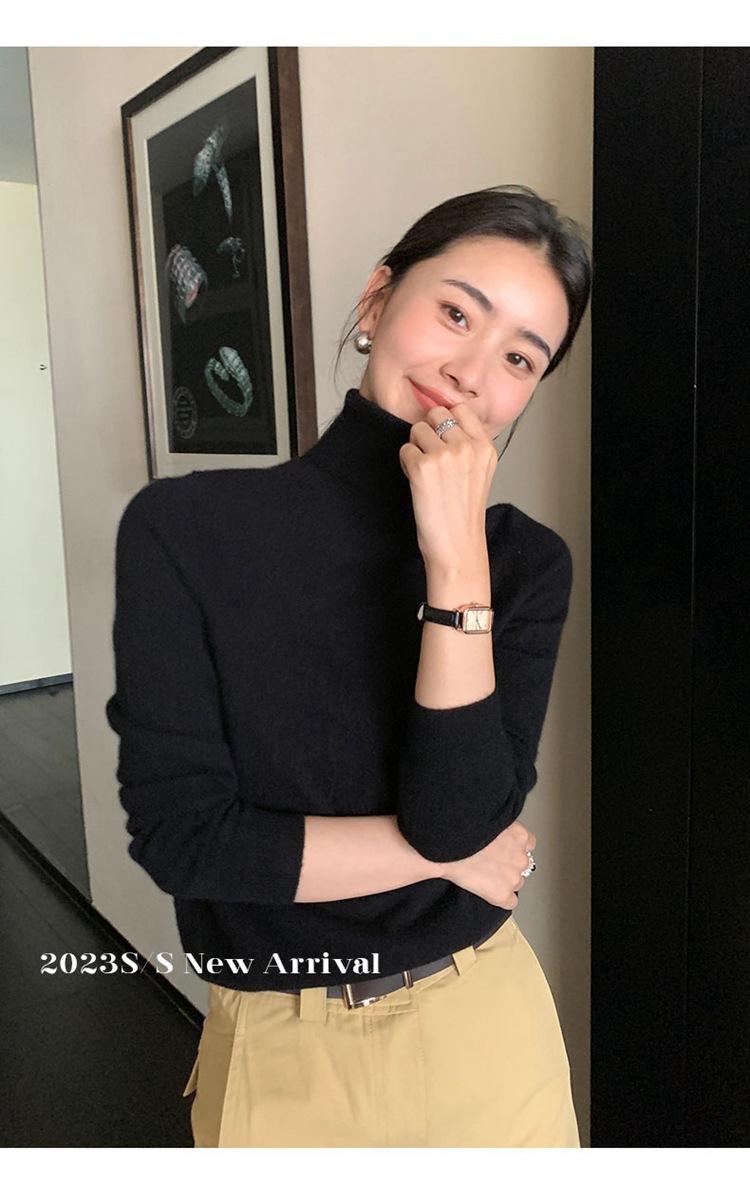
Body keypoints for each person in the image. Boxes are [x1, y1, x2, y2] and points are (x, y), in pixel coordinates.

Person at [106, 183, 592, 1148]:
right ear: (377, 300)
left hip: (486, 1039)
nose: (470, 373)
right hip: (279, 1054)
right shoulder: (186, 530)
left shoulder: (524, 564)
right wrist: (450, 855)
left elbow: (458, 812)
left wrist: (457, 562)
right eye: (457, 313)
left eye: (520, 357)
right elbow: (186, 840)